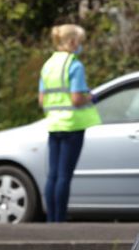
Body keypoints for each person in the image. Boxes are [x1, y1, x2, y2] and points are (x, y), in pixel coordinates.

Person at [38, 24, 101, 222]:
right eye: (80, 42)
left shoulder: (48, 65)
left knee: (53, 175)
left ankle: (51, 220)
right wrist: (89, 97)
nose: (80, 46)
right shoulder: (74, 65)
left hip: (53, 124)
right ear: (73, 42)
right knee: (65, 175)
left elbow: (41, 100)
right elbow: (76, 98)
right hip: (72, 125)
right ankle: (60, 220)